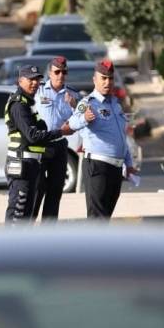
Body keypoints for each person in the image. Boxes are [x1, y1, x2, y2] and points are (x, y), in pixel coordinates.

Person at [68, 59, 139, 219]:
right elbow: (72, 123)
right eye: (104, 78)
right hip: (98, 166)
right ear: (95, 80)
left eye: (110, 78)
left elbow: (120, 137)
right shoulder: (87, 103)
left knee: (105, 217)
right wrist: (84, 118)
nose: (108, 82)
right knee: (97, 218)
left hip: (116, 168)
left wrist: (128, 164)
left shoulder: (115, 104)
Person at [4, 65, 72, 224]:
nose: (34, 83)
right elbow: (33, 136)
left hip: (30, 164)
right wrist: (61, 132)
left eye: (37, 80)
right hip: (21, 165)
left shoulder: (28, 104)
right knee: (18, 215)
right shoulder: (19, 105)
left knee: (27, 215)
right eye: (30, 79)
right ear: (20, 81)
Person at [33, 56, 78, 220]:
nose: (61, 75)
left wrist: (74, 106)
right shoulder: (39, 91)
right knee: (37, 189)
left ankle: (49, 229)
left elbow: (82, 119)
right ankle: (28, 226)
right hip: (40, 145)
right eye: (57, 72)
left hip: (59, 146)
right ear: (50, 73)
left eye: (64, 72)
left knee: (55, 189)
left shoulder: (73, 94)